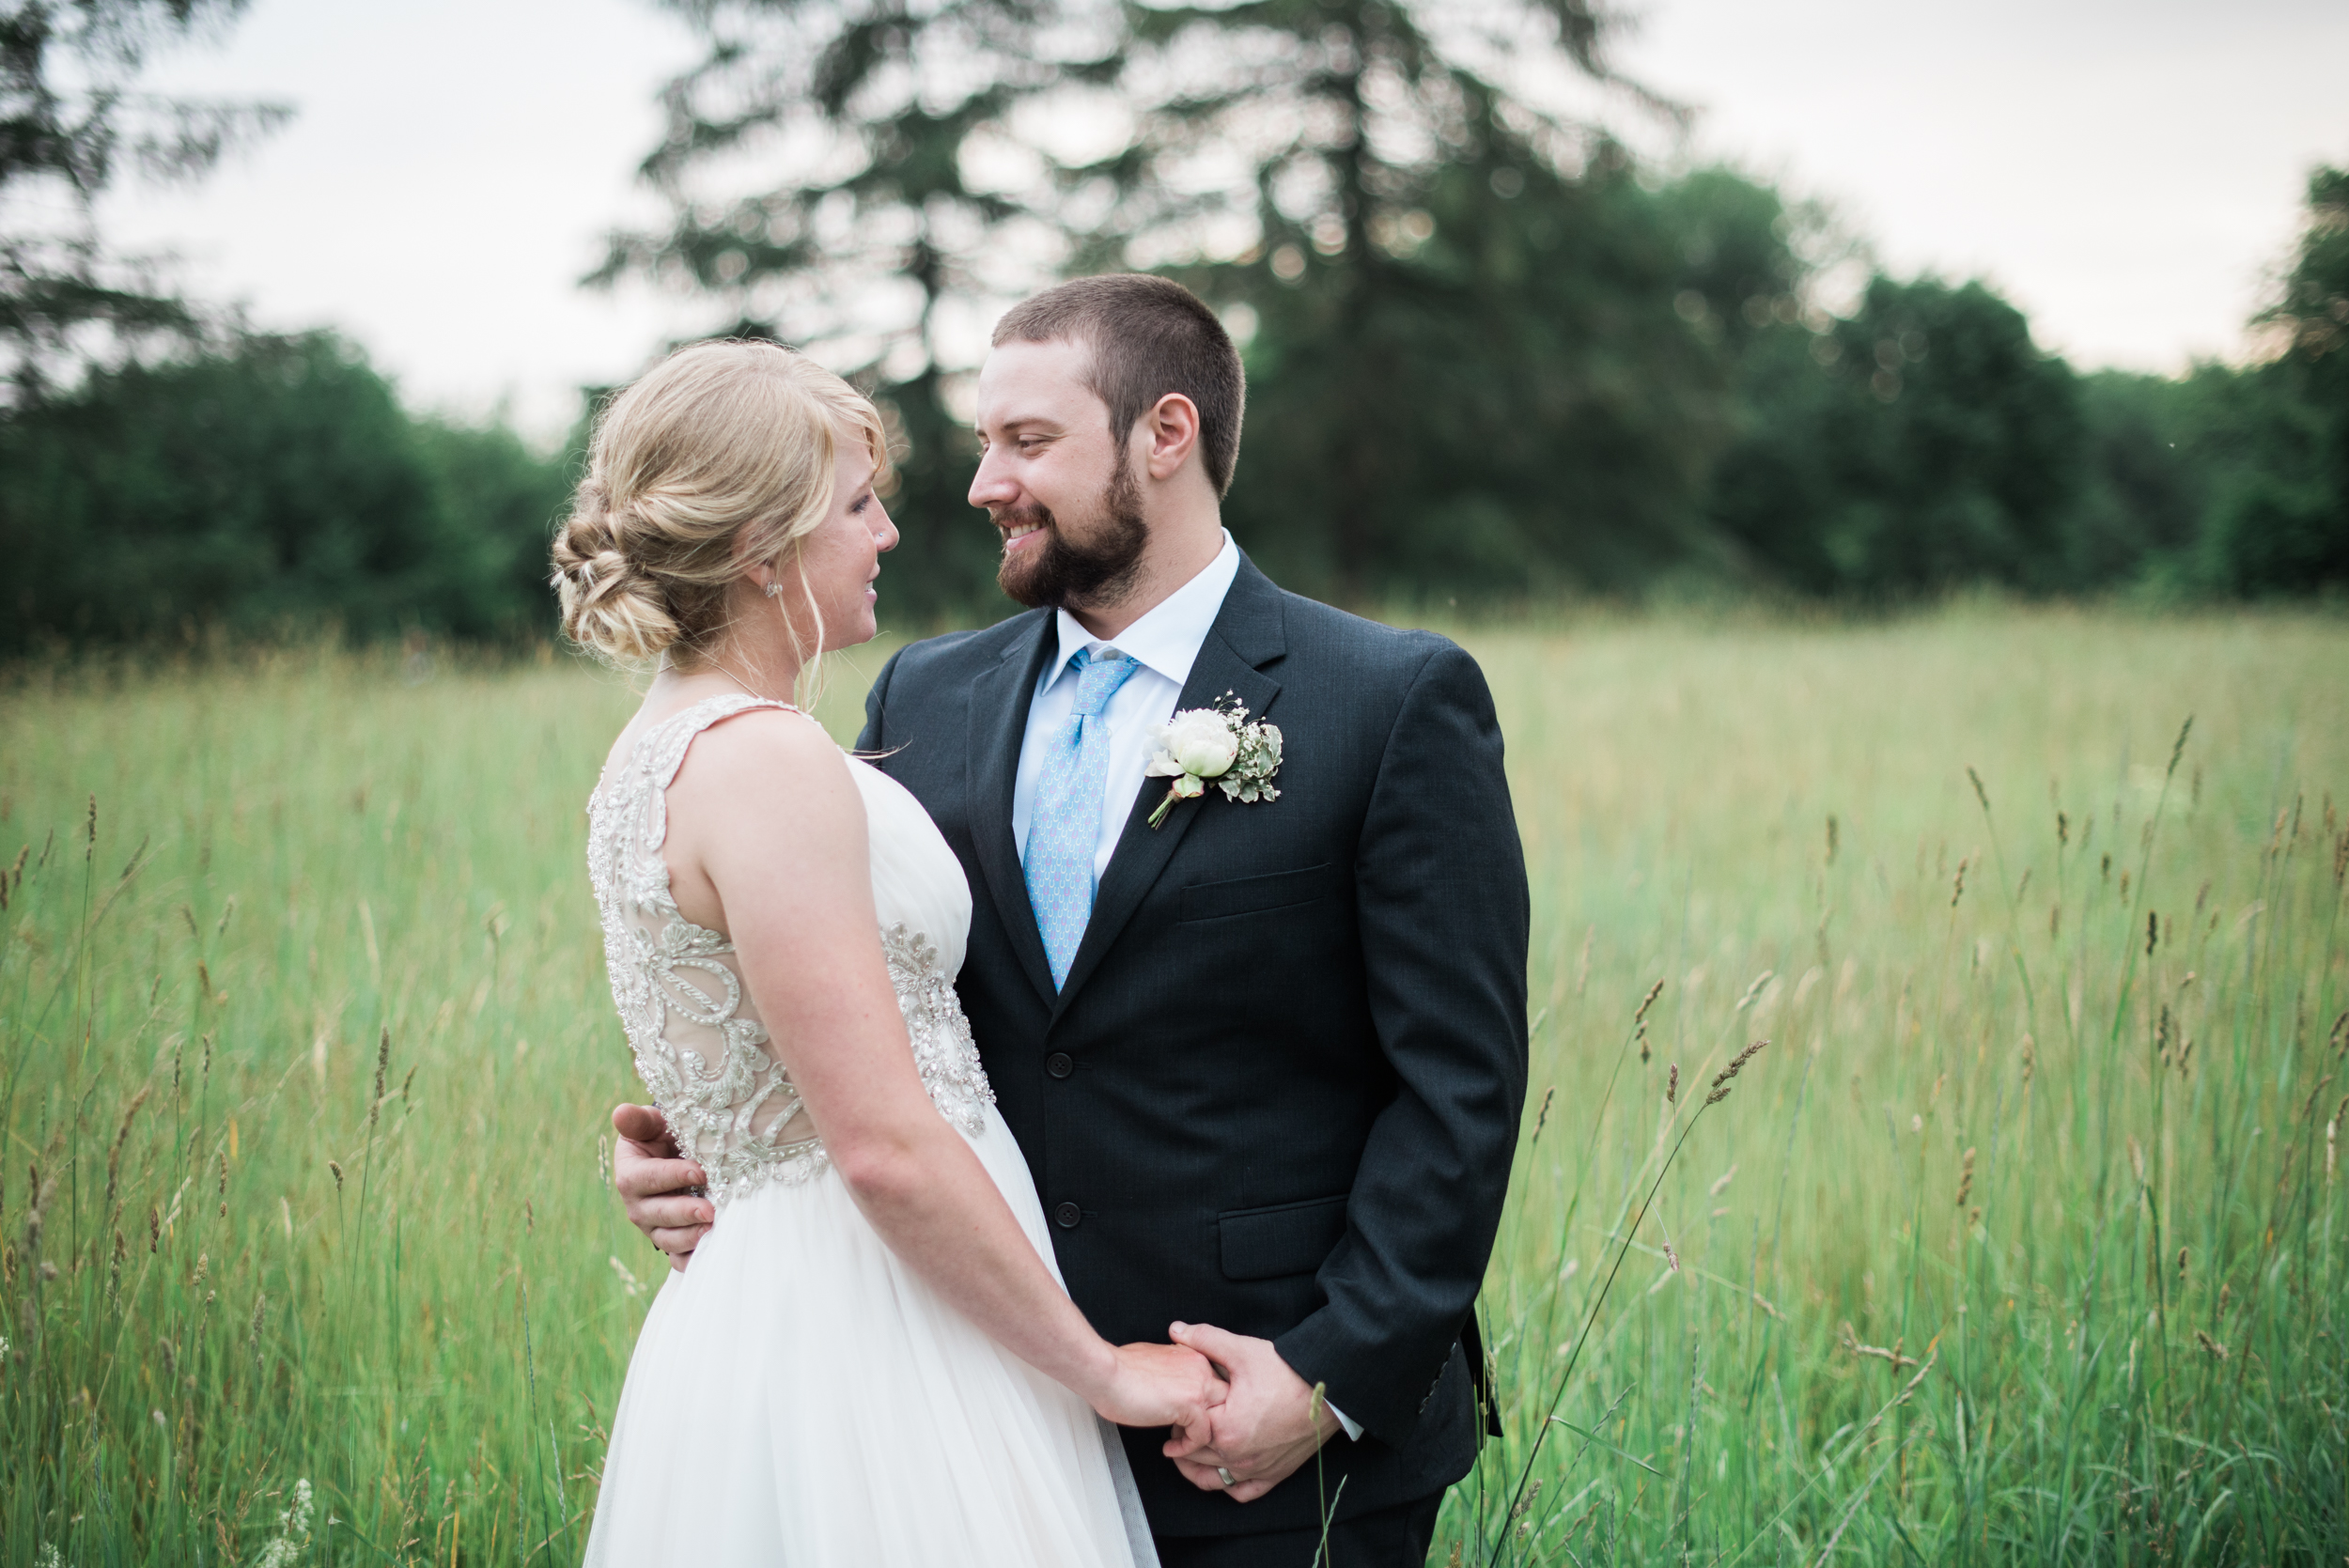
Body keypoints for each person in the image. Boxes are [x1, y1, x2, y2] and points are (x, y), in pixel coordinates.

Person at [616, 275, 1530, 1568]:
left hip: (1259, 1424)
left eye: (1027, 442)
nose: (985, 481)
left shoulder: (1387, 702)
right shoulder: (924, 694)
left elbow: (1462, 1090)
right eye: (986, 441)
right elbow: (848, 1005)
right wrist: (707, 1147)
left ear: (1166, 435)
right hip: (967, 1400)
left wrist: (1323, 1375)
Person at [556, 338, 1225, 1568]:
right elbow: (876, 1138)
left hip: (814, 1291)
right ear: (762, 546)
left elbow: (759, 1044)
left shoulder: (671, 748)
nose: (889, 533)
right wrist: (1101, 1369)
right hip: (873, 1325)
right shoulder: (765, 758)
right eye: (857, 505)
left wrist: (681, 1131)